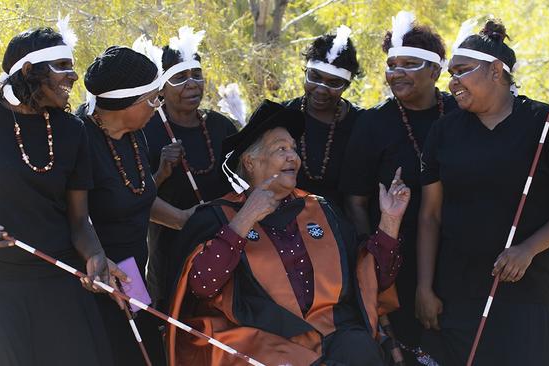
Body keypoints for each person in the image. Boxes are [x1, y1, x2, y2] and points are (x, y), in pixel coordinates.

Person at [165, 100, 412, 366]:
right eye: (281, 149)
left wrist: (390, 221)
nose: (293, 156)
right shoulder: (218, 217)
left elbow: (372, 281)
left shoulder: (322, 211)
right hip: (264, 341)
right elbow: (202, 286)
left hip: (335, 333)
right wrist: (245, 218)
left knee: (361, 350)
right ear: (250, 161)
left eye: (294, 149)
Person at [0, 24, 115, 365]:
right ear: (29, 70)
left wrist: (94, 254)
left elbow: (79, 220)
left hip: (60, 281)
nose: (73, 75)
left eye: (71, 65)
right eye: (61, 66)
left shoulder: (72, 131)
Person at [416, 19, 549, 366]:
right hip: (457, 293)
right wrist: (424, 286)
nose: (452, 82)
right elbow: (430, 215)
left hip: (529, 292)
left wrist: (528, 249)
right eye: (451, 73)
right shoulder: (444, 131)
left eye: (462, 71)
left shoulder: (547, 122)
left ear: (495, 71)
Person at [340, 11, 457, 363]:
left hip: (458, 257)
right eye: (392, 64)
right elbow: (356, 201)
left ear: (436, 71)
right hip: (396, 263)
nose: (396, 72)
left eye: (409, 64)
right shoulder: (372, 122)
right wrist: (373, 262)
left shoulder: (459, 113)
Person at [76, 45, 194, 366]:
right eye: (153, 99)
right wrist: (97, 263)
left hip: (131, 278)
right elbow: (70, 217)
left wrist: (185, 219)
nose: (158, 106)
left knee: (147, 357)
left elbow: (137, 196)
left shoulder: (134, 134)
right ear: (125, 103)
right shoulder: (78, 138)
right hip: (93, 282)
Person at [143, 26, 237, 310]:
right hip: (169, 249)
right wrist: (161, 172)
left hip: (223, 241)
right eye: (180, 78)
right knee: (173, 317)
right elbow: (133, 195)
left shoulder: (220, 126)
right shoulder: (146, 129)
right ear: (162, 86)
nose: (192, 84)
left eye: (197, 75)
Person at [283, 25, 363, 209]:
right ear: (305, 73)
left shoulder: (361, 123)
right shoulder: (279, 116)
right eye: (314, 77)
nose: (320, 89)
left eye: (333, 83)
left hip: (341, 228)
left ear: (346, 85)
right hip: (284, 226)